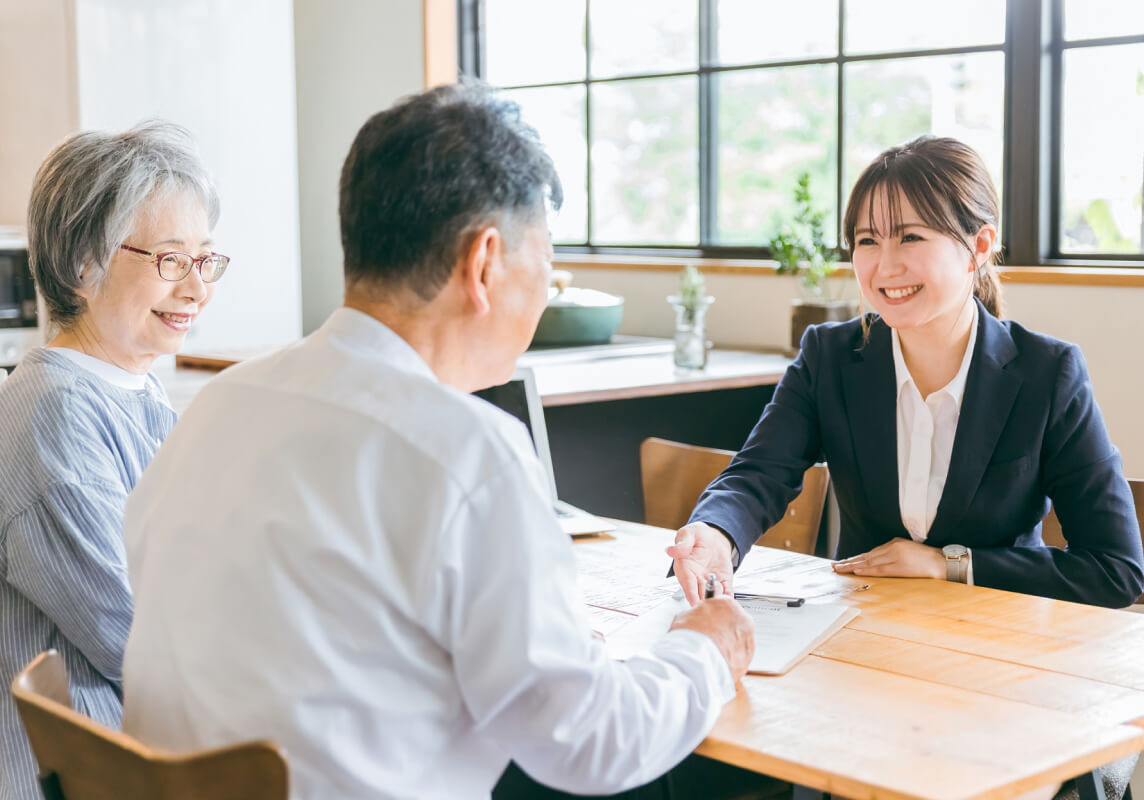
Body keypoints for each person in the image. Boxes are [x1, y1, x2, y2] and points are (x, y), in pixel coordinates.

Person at [120, 83, 754, 800]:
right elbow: (588, 743)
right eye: (544, 261)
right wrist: (705, 648)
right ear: (485, 262)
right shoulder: (467, 453)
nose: (545, 288)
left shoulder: (219, 405)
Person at [668, 136, 1142, 800]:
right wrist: (715, 534)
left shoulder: (1046, 374)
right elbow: (759, 473)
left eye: (910, 237)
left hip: (1001, 681)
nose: (883, 266)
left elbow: (1116, 570)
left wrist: (951, 563)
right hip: (860, 669)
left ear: (979, 246)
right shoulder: (829, 358)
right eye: (866, 241)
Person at [0, 121, 226, 800]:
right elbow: (140, 636)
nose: (197, 289)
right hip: (99, 774)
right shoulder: (55, 415)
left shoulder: (132, 387)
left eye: (205, 259)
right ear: (82, 266)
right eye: (170, 261)